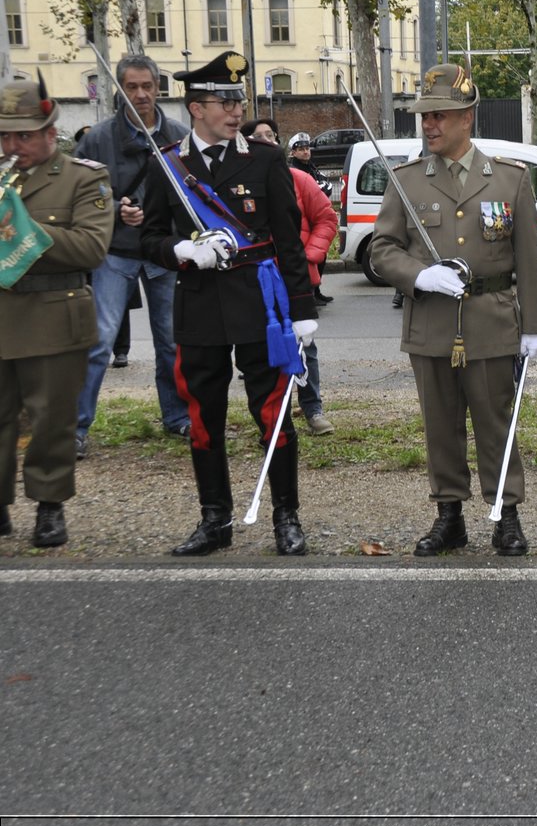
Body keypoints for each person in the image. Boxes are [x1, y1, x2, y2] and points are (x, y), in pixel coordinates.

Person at [139, 50, 319, 556]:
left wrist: (302, 312)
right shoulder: (168, 165)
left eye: (239, 100)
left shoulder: (264, 160)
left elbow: (288, 239)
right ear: (196, 108)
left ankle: (286, 515)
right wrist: (182, 250)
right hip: (198, 308)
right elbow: (147, 238)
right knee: (203, 416)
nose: (236, 111)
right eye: (225, 101)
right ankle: (214, 519)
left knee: (273, 412)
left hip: (259, 305)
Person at [370, 63, 537, 556]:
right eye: (424, 116)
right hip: (431, 321)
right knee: (440, 426)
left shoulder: (509, 180)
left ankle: (505, 515)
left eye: (440, 116)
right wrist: (418, 275)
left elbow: (529, 261)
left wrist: (533, 326)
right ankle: (450, 516)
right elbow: (382, 249)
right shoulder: (406, 180)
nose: (428, 125)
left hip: (491, 319)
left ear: (468, 117)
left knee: (495, 423)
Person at [0, 75, 115, 547]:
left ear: (50, 132)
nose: (13, 144)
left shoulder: (83, 178)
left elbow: (92, 248)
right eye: (5, 135)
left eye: (23, 135)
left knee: (51, 420)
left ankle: (50, 505)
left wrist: (23, 232)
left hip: (53, 314)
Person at [73, 52, 191, 458]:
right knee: (99, 342)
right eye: (132, 87)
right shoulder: (97, 139)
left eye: (147, 86)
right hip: (116, 252)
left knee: (172, 343)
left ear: (159, 88)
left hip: (162, 254)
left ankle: (177, 417)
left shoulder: (178, 134)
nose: (140, 95)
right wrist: (114, 209)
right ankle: (75, 429)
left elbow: (189, 198)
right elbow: (80, 195)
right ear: (120, 89)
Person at [289, 158, 338, 435]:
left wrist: (309, 257)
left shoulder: (299, 180)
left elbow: (326, 218)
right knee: (264, 348)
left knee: (305, 345)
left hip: (296, 278)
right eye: (257, 137)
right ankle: (276, 414)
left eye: (270, 136)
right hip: (255, 279)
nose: (264, 141)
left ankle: (313, 409)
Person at [287, 131, 337, 306]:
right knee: (308, 259)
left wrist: (319, 189)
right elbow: (318, 189)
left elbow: (328, 186)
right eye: (300, 149)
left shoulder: (311, 168)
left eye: (307, 148)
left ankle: (316, 291)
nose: (305, 152)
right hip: (304, 221)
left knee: (319, 257)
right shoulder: (294, 170)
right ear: (293, 152)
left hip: (316, 219)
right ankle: (308, 293)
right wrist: (319, 189)